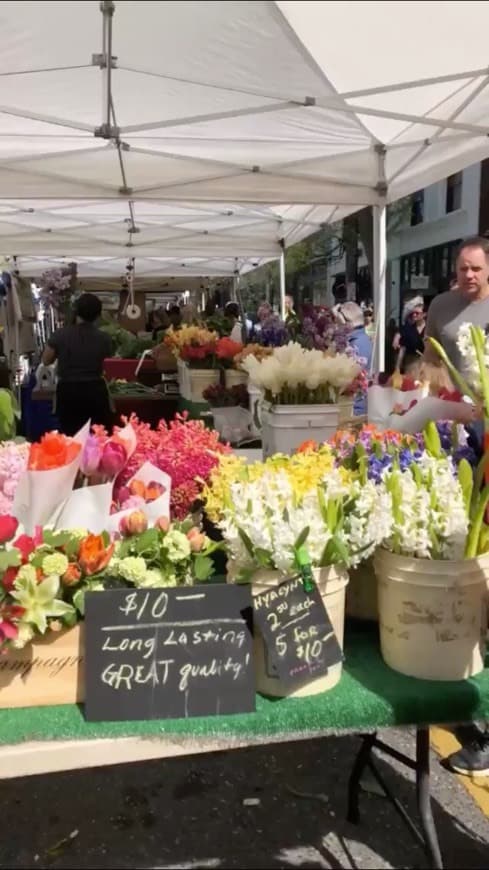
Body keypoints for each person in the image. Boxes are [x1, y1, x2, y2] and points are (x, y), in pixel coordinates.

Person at [423, 236, 489, 776]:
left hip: (487, 424)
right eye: (464, 267)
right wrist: (432, 400)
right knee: (458, 514)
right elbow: (430, 358)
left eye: (478, 268)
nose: (470, 275)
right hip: (451, 424)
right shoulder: (442, 307)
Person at [42, 293, 113, 436]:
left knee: (71, 437)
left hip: (69, 391)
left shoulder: (60, 335)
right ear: (98, 315)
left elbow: (46, 360)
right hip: (96, 391)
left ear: (76, 311)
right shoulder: (104, 338)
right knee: (97, 437)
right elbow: (109, 363)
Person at [334, 301, 372, 415]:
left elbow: (350, 379)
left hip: (354, 408)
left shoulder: (355, 345)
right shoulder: (363, 340)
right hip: (355, 406)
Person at [398, 297, 426, 372]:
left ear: (424, 314)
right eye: (412, 313)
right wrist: (397, 367)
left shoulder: (429, 329)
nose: (414, 315)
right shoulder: (408, 329)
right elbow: (402, 349)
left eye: (417, 313)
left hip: (426, 365)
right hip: (411, 365)